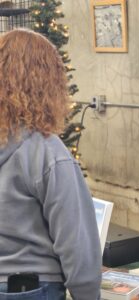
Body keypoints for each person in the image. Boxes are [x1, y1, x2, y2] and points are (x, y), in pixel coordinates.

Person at [0, 29, 101, 299]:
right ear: (48, 84)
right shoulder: (46, 152)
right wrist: (88, 293)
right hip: (32, 287)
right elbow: (76, 241)